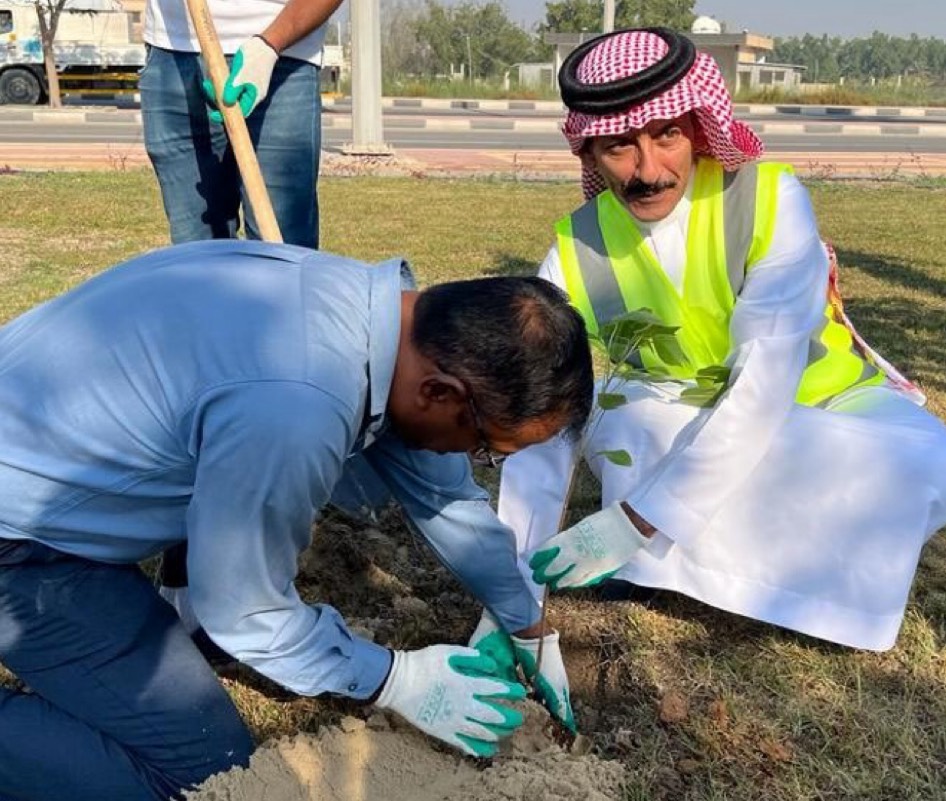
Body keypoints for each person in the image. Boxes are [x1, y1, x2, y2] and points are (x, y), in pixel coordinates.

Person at [0, 240, 590, 800]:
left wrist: (526, 624)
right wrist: (396, 679)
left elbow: (447, 500)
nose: (474, 461)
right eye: (486, 449)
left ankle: (175, 608)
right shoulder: (297, 407)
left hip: (51, 461)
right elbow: (246, 611)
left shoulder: (372, 317)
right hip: (20, 543)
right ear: (439, 394)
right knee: (202, 772)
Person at [498, 28, 946, 653]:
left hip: (822, 395)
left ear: (698, 129)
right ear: (589, 150)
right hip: (668, 408)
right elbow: (540, 416)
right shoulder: (573, 250)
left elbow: (766, 377)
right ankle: (655, 565)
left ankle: (659, 550)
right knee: (633, 426)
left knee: (937, 468)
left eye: (667, 136)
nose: (649, 171)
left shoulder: (771, 199)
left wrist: (641, 519)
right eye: (619, 146)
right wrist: (513, 597)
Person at [139, 0, 341, 247]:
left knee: (282, 254)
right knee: (197, 253)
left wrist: (269, 47)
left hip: (286, 54)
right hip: (174, 48)